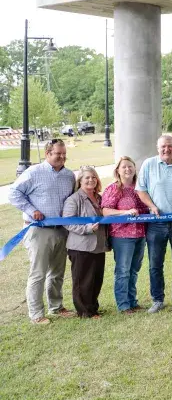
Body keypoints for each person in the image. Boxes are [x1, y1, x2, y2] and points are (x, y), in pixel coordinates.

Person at [8, 139, 76, 324]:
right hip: (38, 230)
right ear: (47, 153)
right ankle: (36, 313)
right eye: (58, 154)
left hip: (61, 230)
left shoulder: (69, 175)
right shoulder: (33, 172)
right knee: (38, 273)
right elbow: (13, 193)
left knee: (57, 272)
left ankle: (56, 307)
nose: (62, 157)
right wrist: (32, 210)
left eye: (64, 154)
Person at [137, 135, 172, 313]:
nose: (166, 149)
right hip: (156, 223)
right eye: (163, 146)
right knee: (155, 264)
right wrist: (152, 206)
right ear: (158, 148)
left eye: (169, 146)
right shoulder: (148, 164)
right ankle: (157, 300)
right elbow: (141, 190)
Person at [102, 156, 149, 314]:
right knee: (123, 270)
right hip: (122, 235)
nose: (127, 169)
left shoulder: (140, 187)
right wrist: (125, 212)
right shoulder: (114, 189)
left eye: (130, 166)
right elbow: (105, 211)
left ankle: (132, 301)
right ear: (118, 170)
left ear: (135, 169)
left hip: (140, 234)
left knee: (134, 269)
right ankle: (123, 305)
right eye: (124, 167)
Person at [62, 166, 109, 319]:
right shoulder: (74, 199)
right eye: (87, 177)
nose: (91, 180)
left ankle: (93, 307)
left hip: (98, 245)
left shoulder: (100, 198)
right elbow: (67, 222)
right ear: (80, 181)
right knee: (83, 281)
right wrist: (86, 228)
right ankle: (85, 312)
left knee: (96, 279)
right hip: (81, 246)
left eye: (94, 177)